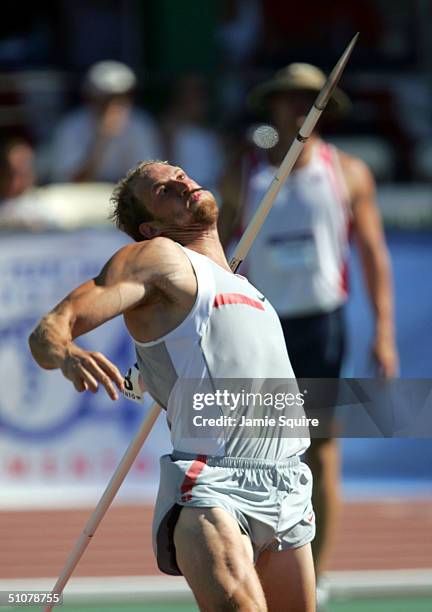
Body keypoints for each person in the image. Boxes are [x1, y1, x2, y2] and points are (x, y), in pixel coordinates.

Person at [29, 160, 317, 612]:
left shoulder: (249, 289)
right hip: (216, 489)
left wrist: (149, 377)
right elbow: (50, 328)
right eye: (163, 190)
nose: (180, 181)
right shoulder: (159, 258)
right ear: (150, 227)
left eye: (179, 174)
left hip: (288, 487)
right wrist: (65, 353)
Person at [218, 63, 399, 607]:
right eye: (290, 99)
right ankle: (246, 567)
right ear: (272, 106)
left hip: (320, 327)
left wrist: (384, 330)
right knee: (246, 453)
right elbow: (212, 254)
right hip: (258, 326)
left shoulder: (348, 172)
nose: (300, 109)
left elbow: (372, 254)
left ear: (325, 107)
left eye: (310, 99)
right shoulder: (242, 174)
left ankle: (313, 578)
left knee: (319, 452)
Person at [49, 61, 162, 184]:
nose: (115, 104)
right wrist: (102, 139)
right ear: (90, 97)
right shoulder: (71, 126)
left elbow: (148, 178)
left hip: (127, 197)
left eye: (123, 96)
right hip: (83, 198)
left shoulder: (141, 124)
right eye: (107, 98)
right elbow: (71, 182)